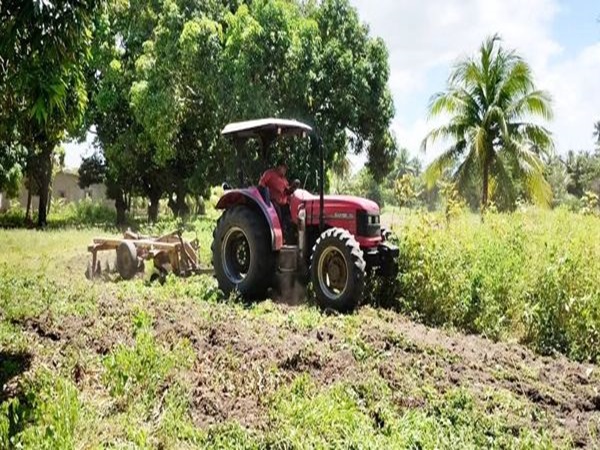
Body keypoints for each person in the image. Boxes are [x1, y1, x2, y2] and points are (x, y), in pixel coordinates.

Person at [259, 160, 299, 242]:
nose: (285, 171)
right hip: (272, 202)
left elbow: (287, 191)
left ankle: (292, 236)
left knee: (294, 213)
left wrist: (293, 188)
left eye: (286, 169)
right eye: (284, 168)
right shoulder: (269, 173)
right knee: (278, 212)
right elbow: (261, 184)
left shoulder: (284, 180)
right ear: (279, 167)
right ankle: (279, 237)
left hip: (283, 203)